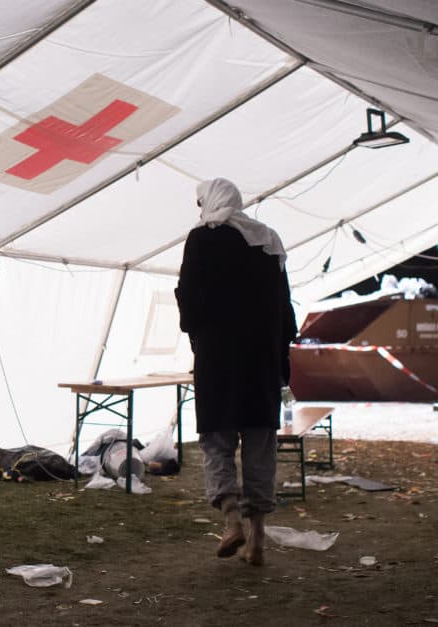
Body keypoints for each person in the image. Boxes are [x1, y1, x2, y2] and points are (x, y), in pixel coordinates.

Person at [175, 178, 297, 566]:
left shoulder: (201, 239)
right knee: (261, 448)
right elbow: (286, 312)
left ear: (209, 202)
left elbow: (188, 304)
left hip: (218, 361)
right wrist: (279, 360)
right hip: (261, 364)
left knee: (217, 442)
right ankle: (258, 539)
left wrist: (196, 325)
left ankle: (231, 521)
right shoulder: (268, 241)